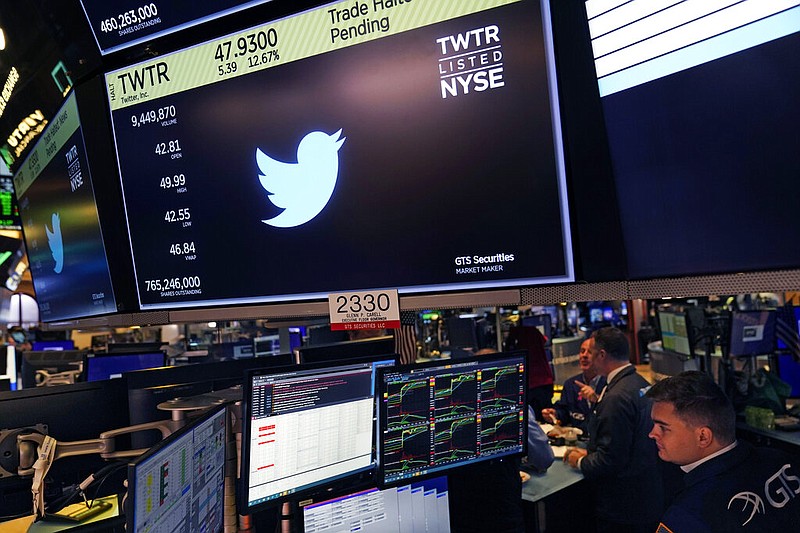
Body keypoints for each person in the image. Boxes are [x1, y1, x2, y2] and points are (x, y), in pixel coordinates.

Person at [646, 371, 800, 532]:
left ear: (703, 437)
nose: (652, 434)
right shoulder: (782, 461)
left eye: (663, 427)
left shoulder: (687, 517)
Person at [563, 327, 663, 533]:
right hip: (645, 495)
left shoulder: (616, 397)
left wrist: (580, 460)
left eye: (590, 352)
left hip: (623, 507)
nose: (587, 357)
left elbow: (611, 461)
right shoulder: (639, 383)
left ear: (602, 355)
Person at [542, 336, 606, 433]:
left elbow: (613, 418)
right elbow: (564, 413)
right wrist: (555, 414)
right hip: (576, 440)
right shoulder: (570, 384)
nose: (584, 355)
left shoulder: (609, 383)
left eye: (589, 352)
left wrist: (596, 400)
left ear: (600, 356)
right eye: (582, 351)